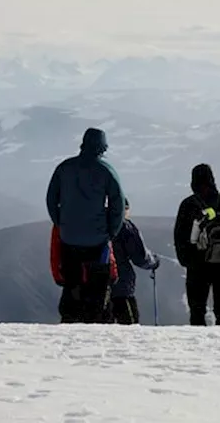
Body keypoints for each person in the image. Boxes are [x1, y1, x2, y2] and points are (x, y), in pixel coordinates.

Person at [46, 127, 126, 323]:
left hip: (69, 239)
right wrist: (111, 231)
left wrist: (61, 223)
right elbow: (118, 204)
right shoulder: (106, 171)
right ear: (102, 147)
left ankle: (69, 321)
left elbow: (51, 199)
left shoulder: (64, 168)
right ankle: (95, 323)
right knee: (98, 288)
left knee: (72, 283)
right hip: (97, 241)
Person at [173, 163, 220, 326]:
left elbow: (179, 235)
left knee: (197, 311)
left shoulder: (188, 204)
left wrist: (186, 261)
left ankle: (199, 348)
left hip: (197, 265)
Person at [110, 197, 159, 325]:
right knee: (129, 329)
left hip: (94, 288)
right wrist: (154, 262)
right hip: (121, 288)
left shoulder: (93, 224)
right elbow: (140, 257)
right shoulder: (124, 227)